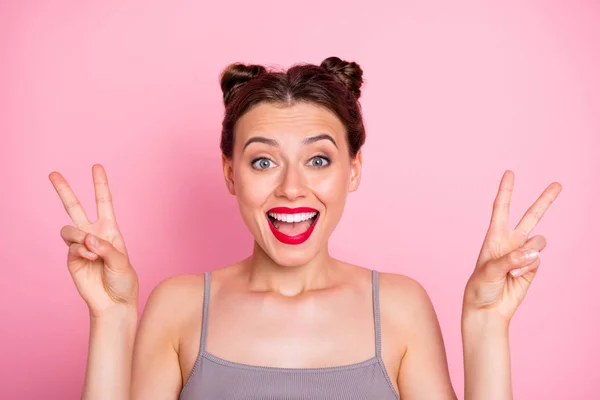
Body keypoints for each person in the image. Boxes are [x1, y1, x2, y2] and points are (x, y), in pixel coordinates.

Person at [49, 56, 562, 400]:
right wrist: (113, 317)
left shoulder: (402, 307)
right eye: (263, 163)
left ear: (353, 170)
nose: (293, 188)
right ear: (231, 174)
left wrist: (487, 323)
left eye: (318, 160)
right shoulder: (179, 306)